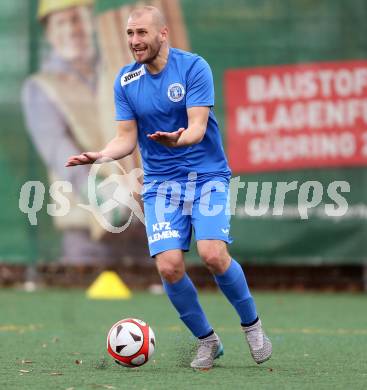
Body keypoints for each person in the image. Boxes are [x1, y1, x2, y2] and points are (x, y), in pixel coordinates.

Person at [66, 5, 272, 369]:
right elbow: (125, 139)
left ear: (163, 34)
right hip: (161, 185)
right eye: (130, 34)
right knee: (170, 267)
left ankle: (252, 326)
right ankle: (208, 341)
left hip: (206, 177)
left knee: (212, 254)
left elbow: (196, 127)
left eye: (142, 33)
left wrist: (178, 139)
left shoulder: (193, 68)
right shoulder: (126, 81)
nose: (134, 41)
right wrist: (100, 154)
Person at [22, 0, 146, 264]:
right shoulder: (42, 87)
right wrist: (101, 194)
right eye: (62, 22)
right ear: (49, 33)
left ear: (92, 21)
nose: (72, 29)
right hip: (87, 234)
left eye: (78, 18)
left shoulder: (124, 68)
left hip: (143, 223)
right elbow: (58, 150)